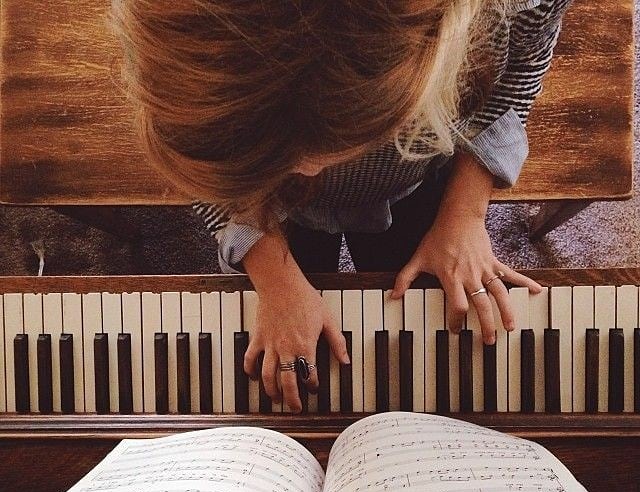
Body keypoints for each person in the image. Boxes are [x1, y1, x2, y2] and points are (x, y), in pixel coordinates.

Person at [110, 0, 572, 412]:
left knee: (422, 311)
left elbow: (515, 75)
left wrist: (464, 214)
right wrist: (274, 276)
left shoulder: (516, 6)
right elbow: (208, 159)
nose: (308, 176)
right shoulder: (173, 39)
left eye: (324, 150)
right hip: (264, 213)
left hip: (417, 179)